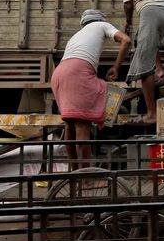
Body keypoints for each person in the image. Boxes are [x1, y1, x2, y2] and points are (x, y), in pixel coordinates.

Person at [50, 10, 131, 168]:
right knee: (83, 124)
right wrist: (116, 67)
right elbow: (126, 40)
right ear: (99, 19)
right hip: (77, 73)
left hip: (59, 74)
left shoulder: (77, 35)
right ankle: (86, 176)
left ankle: (75, 172)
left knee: (70, 123)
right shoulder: (102, 25)